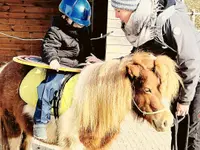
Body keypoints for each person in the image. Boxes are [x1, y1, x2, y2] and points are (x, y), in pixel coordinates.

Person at [107, 0, 200, 149]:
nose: (116, 15)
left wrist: (185, 100)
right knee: (177, 129)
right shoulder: (146, 26)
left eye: (119, 10)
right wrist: (108, 63)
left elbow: (191, 61)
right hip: (178, 79)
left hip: (195, 78)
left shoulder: (170, 21)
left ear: (132, 10)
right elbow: (137, 56)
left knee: (191, 131)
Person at [33, 0, 93, 140]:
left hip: (78, 66)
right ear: (67, 17)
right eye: (78, 22)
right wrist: (53, 59)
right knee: (48, 87)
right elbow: (48, 47)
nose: (80, 25)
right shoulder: (55, 31)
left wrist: (90, 58)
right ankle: (40, 123)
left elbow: (87, 48)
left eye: (82, 23)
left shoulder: (83, 31)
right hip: (61, 67)